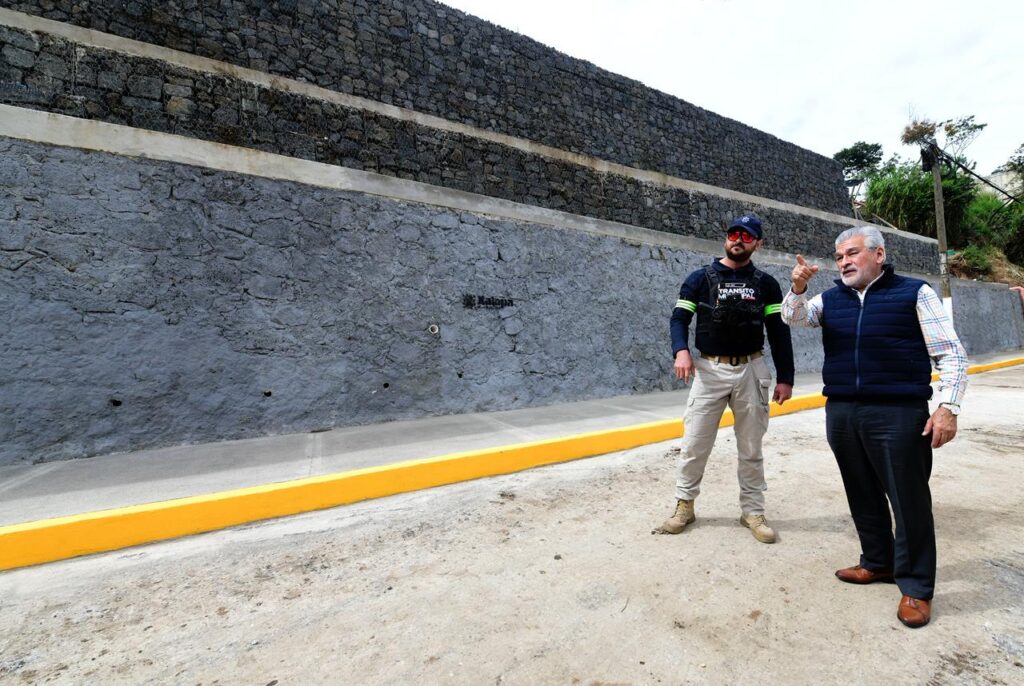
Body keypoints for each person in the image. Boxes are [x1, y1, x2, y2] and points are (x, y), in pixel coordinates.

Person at [783, 225, 967, 629]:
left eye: (852, 253)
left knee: (908, 500)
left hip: (898, 412)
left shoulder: (914, 293)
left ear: (879, 254)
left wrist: (948, 407)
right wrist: (797, 288)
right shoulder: (830, 299)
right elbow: (793, 318)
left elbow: (950, 354)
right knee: (861, 491)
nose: (844, 262)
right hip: (843, 411)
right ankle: (878, 562)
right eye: (839, 257)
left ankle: (916, 587)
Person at [662, 213, 794, 543]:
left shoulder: (767, 284)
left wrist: (786, 377)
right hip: (709, 371)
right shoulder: (699, 279)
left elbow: (779, 332)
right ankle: (685, 505)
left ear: (757, 244)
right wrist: (681, 351)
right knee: (694, 443)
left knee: (751, 447)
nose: (738, 240)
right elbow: (679, 318)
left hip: (752, 369)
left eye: (746, 236)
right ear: (726, 238)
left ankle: (753, 511)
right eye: (734, 234)